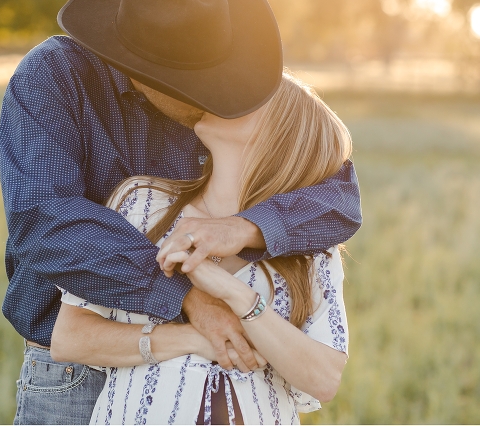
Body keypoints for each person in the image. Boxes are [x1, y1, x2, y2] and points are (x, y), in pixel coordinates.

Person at [0, 0, 361, 425]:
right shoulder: (54, 79)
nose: (223, 94)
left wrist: (245, 228)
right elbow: (44, 222)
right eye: (200, 84)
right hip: (75, 368)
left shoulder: (221, 93)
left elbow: (337, 190)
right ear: (142, 73)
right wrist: (186, 296)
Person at [51, 72, 350, 424]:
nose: (217, 99)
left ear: (274, 137)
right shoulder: (141, 203)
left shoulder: (311, 246)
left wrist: (236, 295)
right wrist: (191, 337)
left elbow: (325, 380)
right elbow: (69, 338)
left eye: (244, 102)